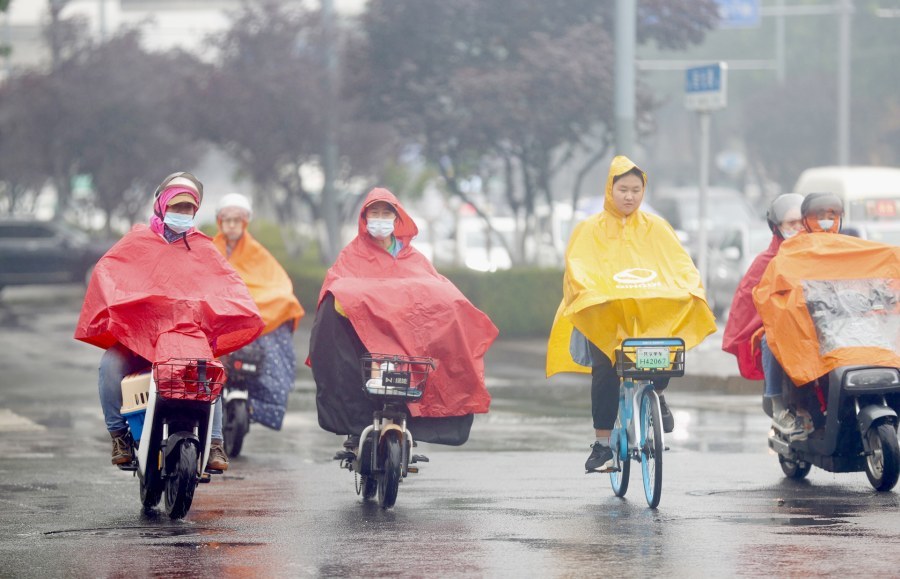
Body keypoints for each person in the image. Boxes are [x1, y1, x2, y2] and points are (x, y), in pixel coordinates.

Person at [75, 172, 264, 471]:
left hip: (186, 343)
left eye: (188, 208)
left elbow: (227, 285)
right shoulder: (137, 242)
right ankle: (119, 436)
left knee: (212, 373)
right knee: (110, 365)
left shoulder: (203, 248)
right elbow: (108, 272)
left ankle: (215, 443)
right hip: (140, 342)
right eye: (177, 207)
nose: (182, 213)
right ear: (161, 206)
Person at [546, 156, 716, 473]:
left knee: (666, 348)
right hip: (605, 317)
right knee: (605, 370)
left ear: (643, 191)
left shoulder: (658, 228)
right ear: (610, 189)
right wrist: (592, 294)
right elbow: (578, 269)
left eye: (636, 190)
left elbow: (680, 265)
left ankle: (658, 395)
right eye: (623, 189)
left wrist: (690, 288)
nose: (629, 196)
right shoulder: (588, 229)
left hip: (648, 317)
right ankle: (602, 443)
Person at [308, 187, 499, 452]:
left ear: (397, 219)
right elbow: (338, 286)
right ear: (364, 219)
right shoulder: (351, 256)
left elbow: (433, 289)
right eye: (374, 213)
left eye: (386, 213)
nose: (380, 218)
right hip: (366, 345)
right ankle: (354, 426)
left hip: (407, 347)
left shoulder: (414, 258)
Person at [753, 192, 848, 440]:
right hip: (797, 324)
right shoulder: (791, 250)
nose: (826, 221)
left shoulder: (850, 246)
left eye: (832, 216)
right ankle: (779, 407)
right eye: (820, 216)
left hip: (838, 322)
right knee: (771, 340)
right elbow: (763, 294)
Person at [213, 193, 305, 431]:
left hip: (253, 313)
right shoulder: (211, 250)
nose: (232, 225)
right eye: (227, 220)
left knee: (281, 310)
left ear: (245, 223)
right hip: (220, 315)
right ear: (220, 222)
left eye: (237, 220)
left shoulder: (257, 251)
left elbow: (276, 283)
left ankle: (261, 404)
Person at [721, 193, 804, 420]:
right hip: (785, 329)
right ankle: (776, 400)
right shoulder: (766, 262)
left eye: (801, 222)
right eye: (791, 223)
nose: (797, 228)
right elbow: (747, 301)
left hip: (817, 326)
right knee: (770, 340)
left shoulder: (818, 254)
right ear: (777, 227)